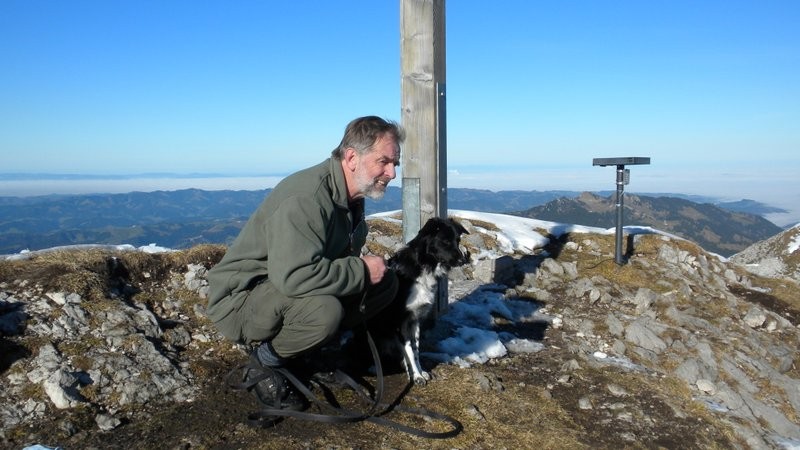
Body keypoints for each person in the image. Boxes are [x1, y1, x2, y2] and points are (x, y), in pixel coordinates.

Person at [206, 116, 404, 410]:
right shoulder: (307, 198)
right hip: (241, 300)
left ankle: (309, 349)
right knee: (325, 311)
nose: (392, 173)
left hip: (279, 290)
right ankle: (265, 363)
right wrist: (360, 269)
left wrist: (362, 272)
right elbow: (295, 276)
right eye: (384, 162)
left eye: (395, 164)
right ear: (352, 157)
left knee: (384, 284)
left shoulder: (350, 198)